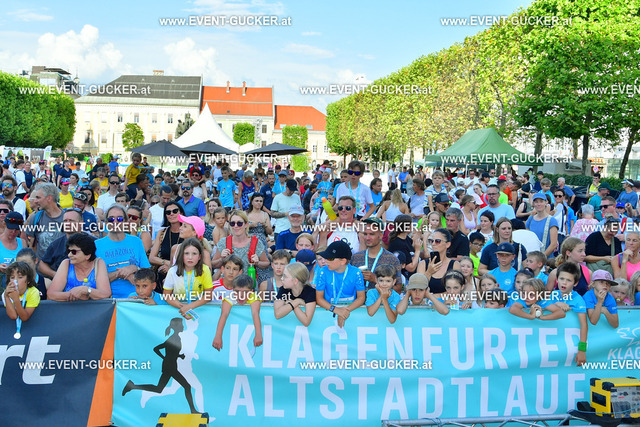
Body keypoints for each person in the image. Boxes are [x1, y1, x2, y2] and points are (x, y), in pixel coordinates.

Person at [122, 317, 198, 414]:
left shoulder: (175, 338)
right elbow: (157, 349)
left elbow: (169, 351)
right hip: (170, 367)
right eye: (182, 325)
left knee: (159, 389)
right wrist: (166, 357)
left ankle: (132, 386)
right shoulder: (174, 338)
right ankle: (193, 410)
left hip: (169, 365)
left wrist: (178, 356)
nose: (183, 326)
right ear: (177, 326)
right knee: (187, 386)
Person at [95, 204, 151, 298]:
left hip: (136, 298)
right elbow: (94, 279)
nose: (115, 222)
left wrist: (135, 268)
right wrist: (119, 274)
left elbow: (148, 273)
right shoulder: (97, 245)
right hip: (109, 299)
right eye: (111, 219)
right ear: (106, 222)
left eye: (119, 219)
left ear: (126, 221)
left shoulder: (136, 241)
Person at [314, 241, 366, 328]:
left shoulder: (356, 272)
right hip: (328, 313)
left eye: (330, 258)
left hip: (350, 312)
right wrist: (336, 310)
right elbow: (319, 298)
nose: (326, 261)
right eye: (326, 257)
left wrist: (344, 311)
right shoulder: (323, 271)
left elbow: (361, 298)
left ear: (343, 261)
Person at [47, 232, 111, 301]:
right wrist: (73, 295)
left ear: (87, 255)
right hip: (69, 307)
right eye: (69, 251)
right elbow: (51, 294)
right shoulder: (66, 263)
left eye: (74, 252)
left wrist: (86, 290)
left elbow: (105, 294)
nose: (69, 255)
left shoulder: (98, 263)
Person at [163, 238, 213, 319]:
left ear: (199, 257)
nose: (190, 257)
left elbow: (208, 295)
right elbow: (167, 295)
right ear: (181, 255)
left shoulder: (205, 269)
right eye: (186, 253)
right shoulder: (172, 271)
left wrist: (189, 307)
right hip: (178, 309)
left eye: (194, 254)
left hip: (199, 309)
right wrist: (183, 307)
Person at [212, 274, 263, 351]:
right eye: (237, 291)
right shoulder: (231, 296)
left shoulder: (253, 296)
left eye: (245, 292)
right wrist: (218, 336)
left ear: (251, 292)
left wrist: (258, 335)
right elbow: (224, 315)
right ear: (233, 290)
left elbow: (255, 314)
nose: (241, 295)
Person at [351, 217, 402, 290]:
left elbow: (398, 289)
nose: (367, 238)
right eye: (365, 234)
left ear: (380, 236)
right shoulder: (356, 257)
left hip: (381, 297)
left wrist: (376, 280)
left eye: (372, 234)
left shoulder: (392, 259)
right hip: (358, 297)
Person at [212, 210, 269, 275]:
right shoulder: (223, 242)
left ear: (246, 225)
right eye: (232, 223)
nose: (236, 226)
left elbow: (266, 263)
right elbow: (213, 264)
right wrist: (222, 259)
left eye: (239, 223)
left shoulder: (256, 243)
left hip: (248, 280)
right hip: (229, 280)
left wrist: (257, 263)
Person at [149, 202, 185, 291]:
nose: (171, 214)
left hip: (182, 274)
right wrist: (166, 263)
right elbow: (152, 258)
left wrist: (172, 267)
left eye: (175, 211)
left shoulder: (187, 231)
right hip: (163, 274)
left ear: (181, 213)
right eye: (168, 212)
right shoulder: (162, 232)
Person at [24, 183, 64, 260]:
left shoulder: (66, 218)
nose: (35, 201)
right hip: (41, 266)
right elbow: (32, 246)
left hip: (62, 265)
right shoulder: (36, 218)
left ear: (49, 198)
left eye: (38, 198)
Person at [418, 228, 461, 295]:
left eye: (437, 241)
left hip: (446, 301)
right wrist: (428, 273)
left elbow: (455, 291)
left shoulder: (455, 265)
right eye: (431, 241)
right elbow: (418, 290)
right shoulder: (423, 264)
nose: (433, 244)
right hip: (426, 302)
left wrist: (432, 296)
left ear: (447, 244)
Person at [273, 262, 317, 326]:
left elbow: (306, 322)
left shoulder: (310, 292)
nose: (282, 278)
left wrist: (291, 303)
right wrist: (296, 302)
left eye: (285, 276)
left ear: (295, 281)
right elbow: (277, 314)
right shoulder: (283, 289)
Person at [0, 212, 27, 290]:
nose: (13, 232)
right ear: (4, 224)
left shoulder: (22, 243)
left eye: (17, 230)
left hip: (18, 286)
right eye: (11, 228)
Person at [526, 193, 559, 258]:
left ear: (546, 202)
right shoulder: (531, 219)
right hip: (531, 257)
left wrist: (541, 258)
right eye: (536, 202)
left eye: (541, 201)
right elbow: (527, 238)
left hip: (546, 259)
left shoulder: (552, 220)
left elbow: (553, 244)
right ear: (533, 204)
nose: (539, 204)